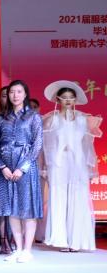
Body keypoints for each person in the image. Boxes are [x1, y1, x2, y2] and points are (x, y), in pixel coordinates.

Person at [41, 81, 100, 252]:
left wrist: (90, 167)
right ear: (58, 99)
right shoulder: (51, 120)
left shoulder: (83, 120)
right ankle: (61, 240)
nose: (68, 100)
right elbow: (45, 146)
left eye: (71, 98)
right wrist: (45, 167)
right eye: (64, 97)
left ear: (75, 100)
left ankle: (77, 241)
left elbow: (88, 146)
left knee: (78, 198)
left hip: (78, 163)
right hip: (58, 163)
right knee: (59, 198)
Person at [0, 80, 44, 263]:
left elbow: (37, 144)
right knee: (11, 208)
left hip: (26, 168)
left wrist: (22, 168)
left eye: (19, 92)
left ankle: (27, 250)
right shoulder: (1, 119)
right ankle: (18, 248)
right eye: (11, 92)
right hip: (5, 168)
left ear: (25, 94)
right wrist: (2, 167)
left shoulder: (33, 117)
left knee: (27, 207)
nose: (15, 95)